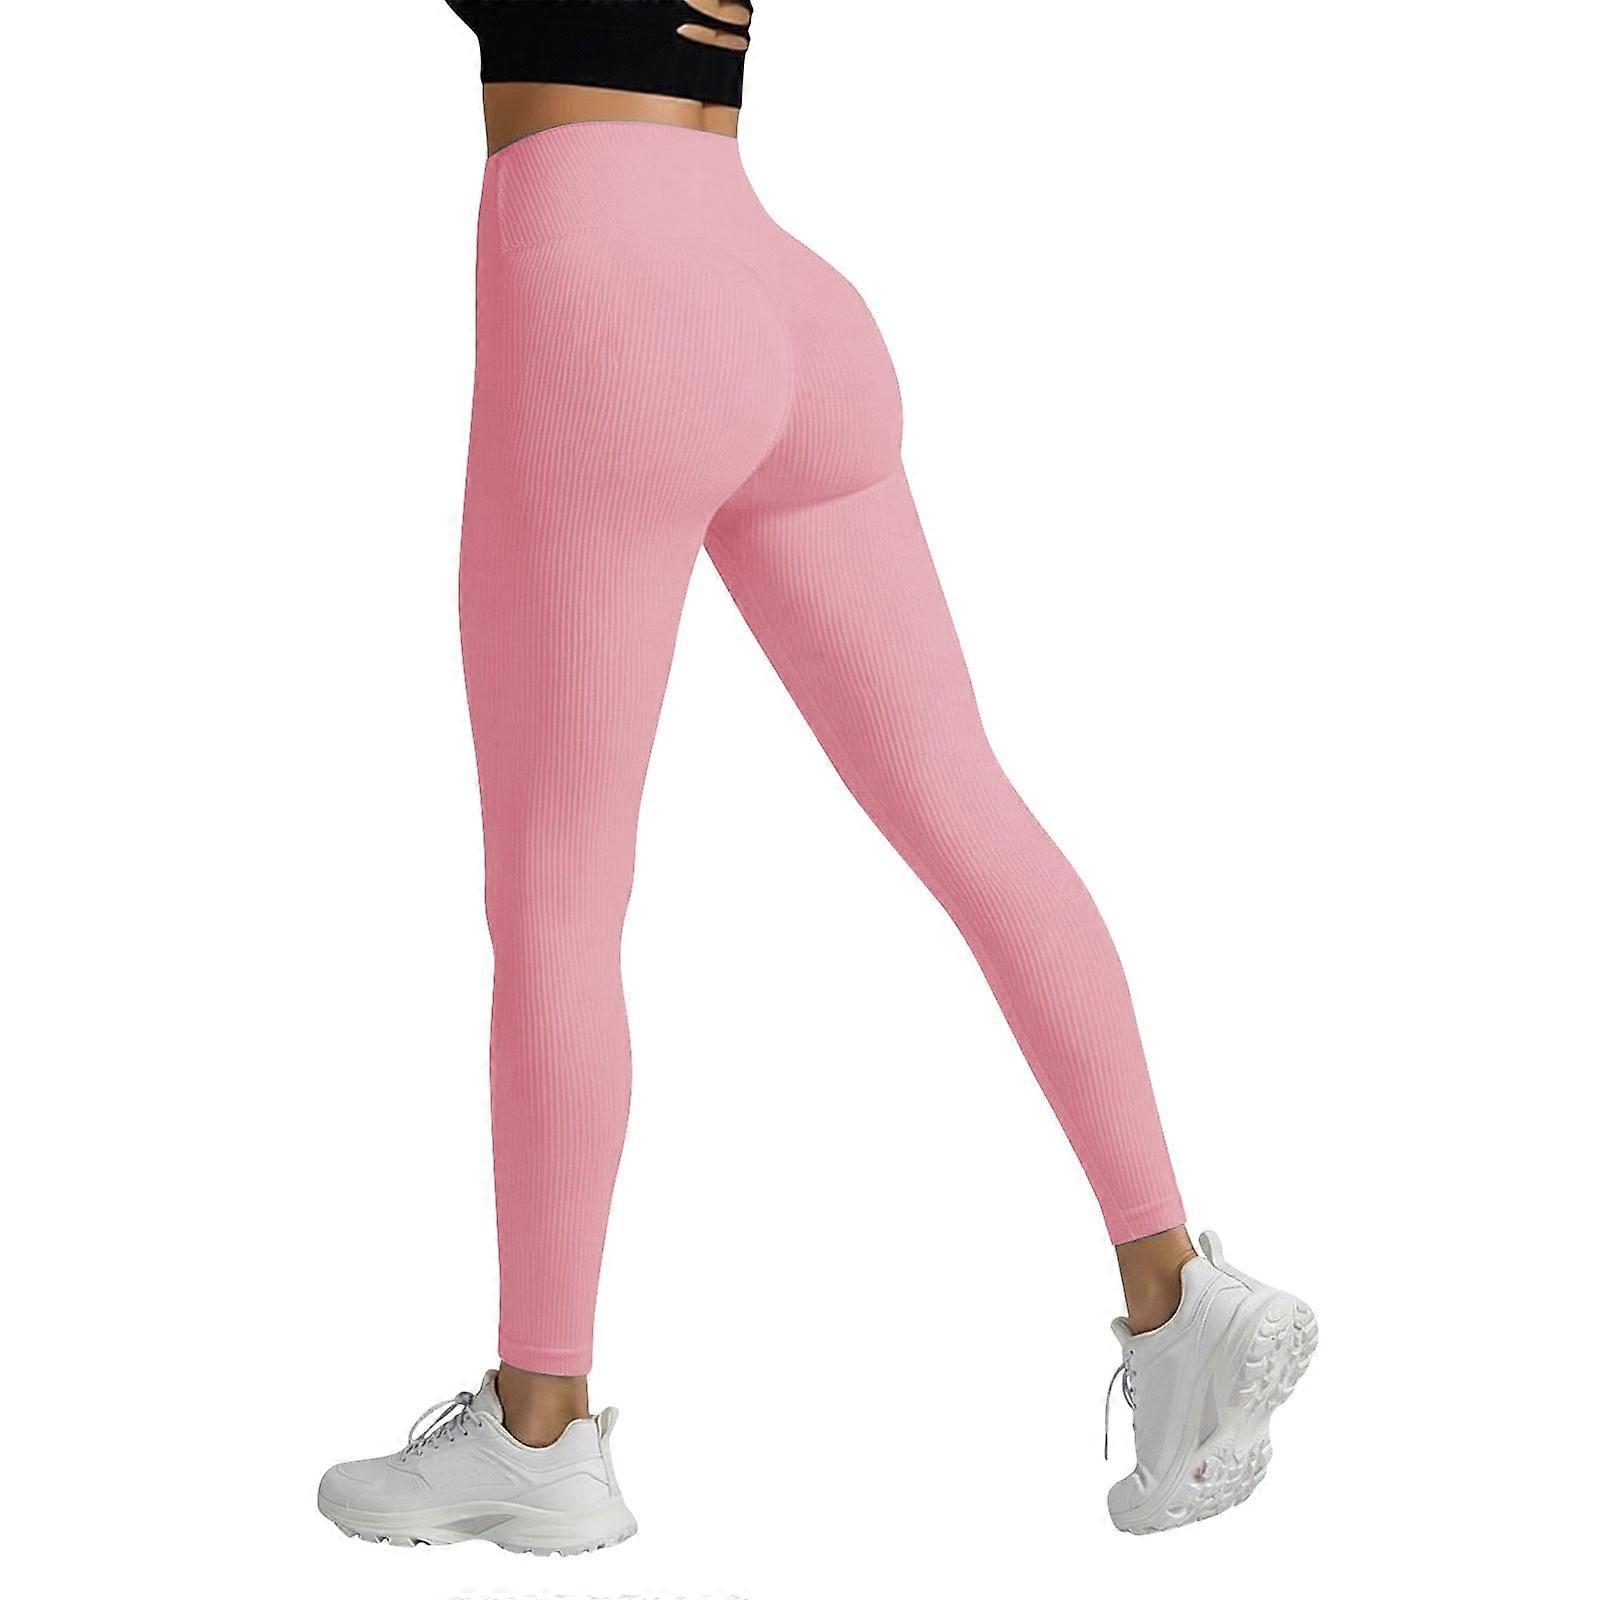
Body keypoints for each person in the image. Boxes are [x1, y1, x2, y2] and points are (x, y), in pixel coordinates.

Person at [317, 1, 1316, 1552]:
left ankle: (539, 1432)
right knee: (963, 799)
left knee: (559, 894)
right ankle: (1174, 1288)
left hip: (600, 284)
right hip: (780, 293)